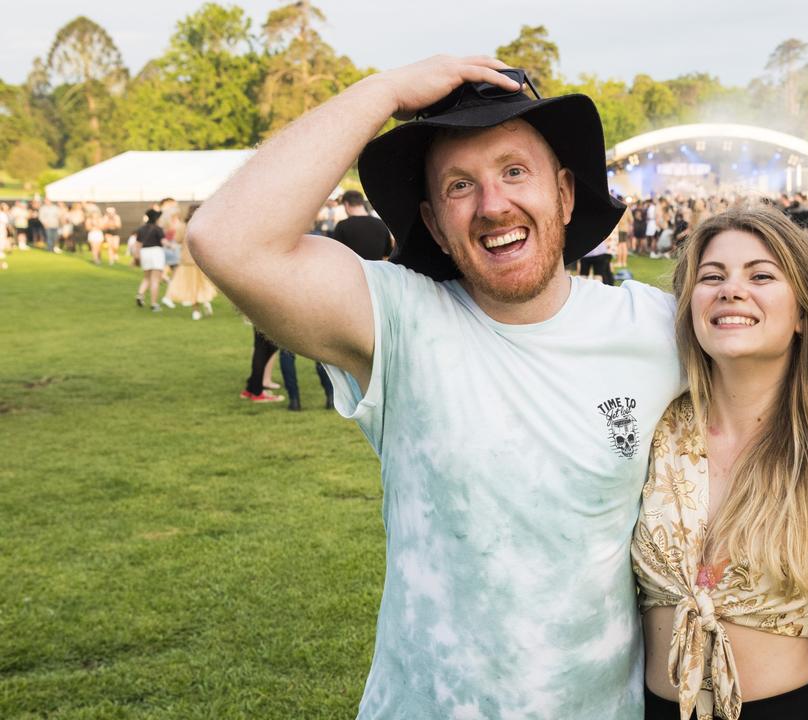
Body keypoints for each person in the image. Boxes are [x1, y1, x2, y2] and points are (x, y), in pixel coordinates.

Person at [188, 56, 683, 718]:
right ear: (432, 222)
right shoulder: (399, 323)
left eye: (515, 170)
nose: (493, 205)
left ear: (565, 192)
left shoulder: (656, 331)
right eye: (459, 186)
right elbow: (225, 239)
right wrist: (385, 91)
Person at [634, 204, 808, 720]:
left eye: (761, 275)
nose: (731, 290)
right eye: (712, 276)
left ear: (803, 316)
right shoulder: (651, 428)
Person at [161, 205, 217, 319]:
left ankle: (196, 311)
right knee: (203, 284)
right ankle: (206, 302)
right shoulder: (204, 225)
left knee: (191, 287)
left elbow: (177, 240)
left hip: (187, 262)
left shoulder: (183, 226)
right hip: (201, 261)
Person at [332, 189, 393, 260]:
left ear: (346, 204)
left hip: (352, 269)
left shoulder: (342, 225)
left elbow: (336, 254)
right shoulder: (381, 224)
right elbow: (387, 255)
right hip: (374, 270)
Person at [133, 209, 167, 311]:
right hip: (156, 253)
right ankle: (154, 304)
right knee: (155, 279)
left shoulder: (141, 229)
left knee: (147, 277)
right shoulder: (158, 229)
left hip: (144, 253)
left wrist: (136, 257)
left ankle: (140, 294)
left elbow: (138, 244)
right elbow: (164, 242)